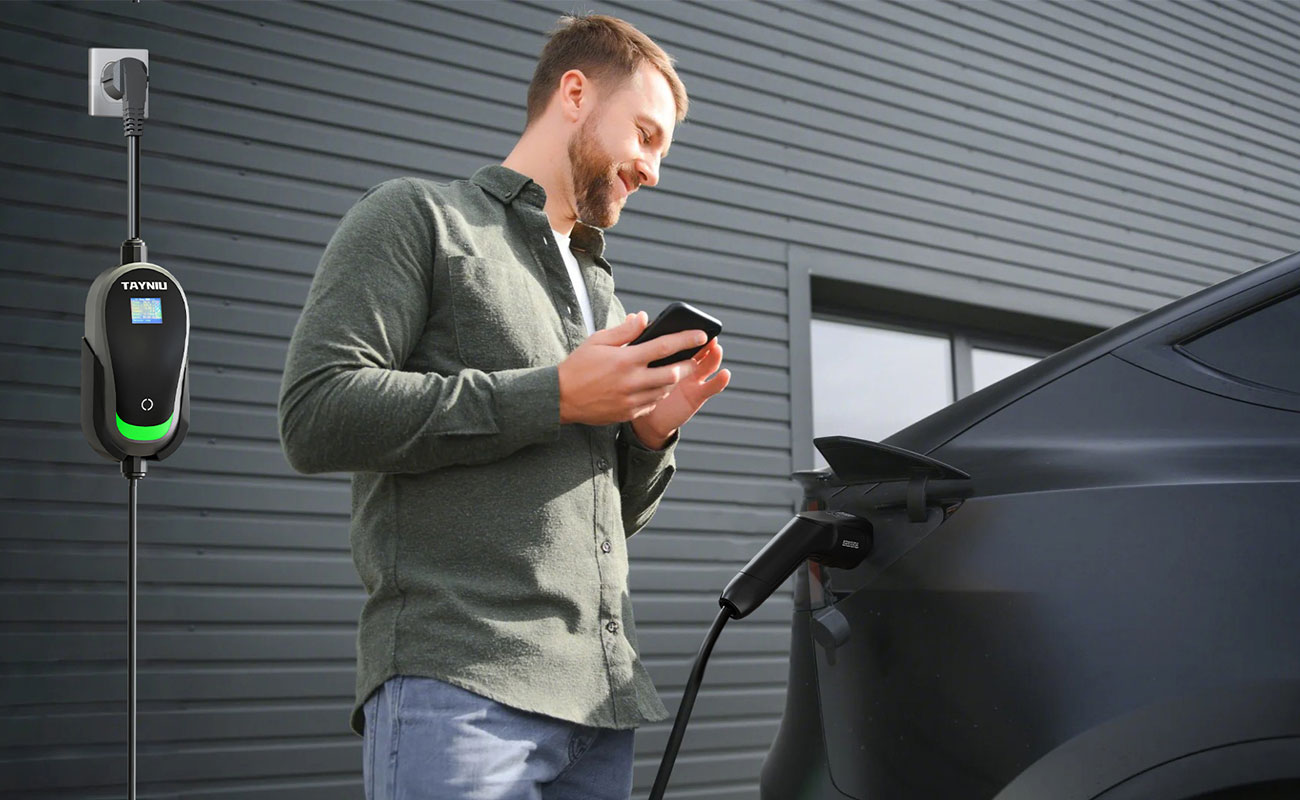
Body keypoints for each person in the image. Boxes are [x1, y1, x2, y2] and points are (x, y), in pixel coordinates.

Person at [277, 12, 730, 800]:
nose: (656, 169)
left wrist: (650, 437)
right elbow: (316, 413)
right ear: (577, 93)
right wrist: (553, 394)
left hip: (599, 708)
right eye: (647, 136)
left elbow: (595, 525)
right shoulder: (419, 218)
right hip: (461, 692)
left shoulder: (599, 291)